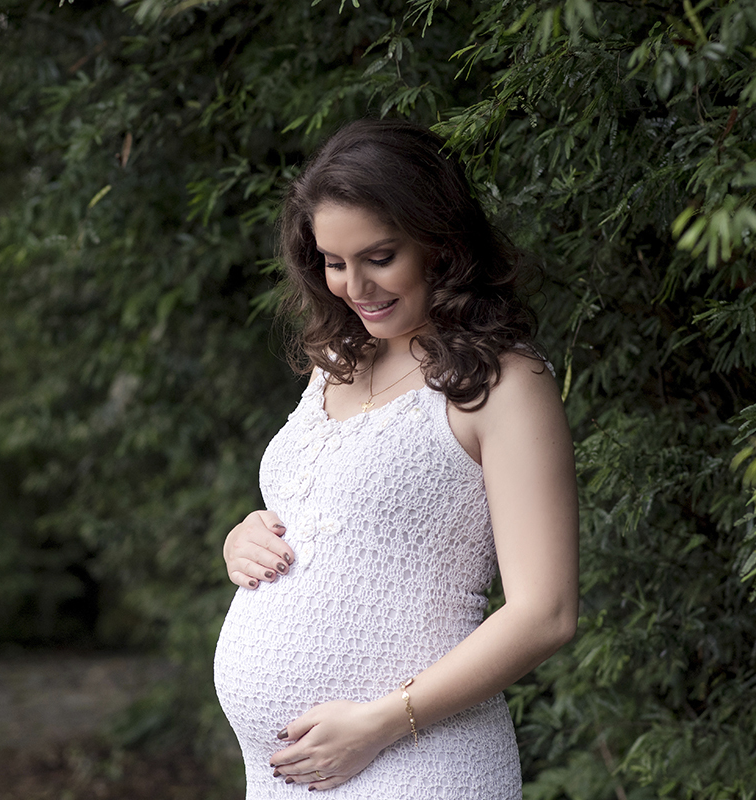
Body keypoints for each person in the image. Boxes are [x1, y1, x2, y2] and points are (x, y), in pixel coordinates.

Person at [213, 118, 579, 798]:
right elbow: (336, 519)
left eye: (379, 257)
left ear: (440, 244)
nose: (355, 287)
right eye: (333, 261)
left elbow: (546, 612)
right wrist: (246, 535)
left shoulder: (505, 384)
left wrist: (382, 722)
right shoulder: (335, 361)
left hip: (418, 762)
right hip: (287, 778)